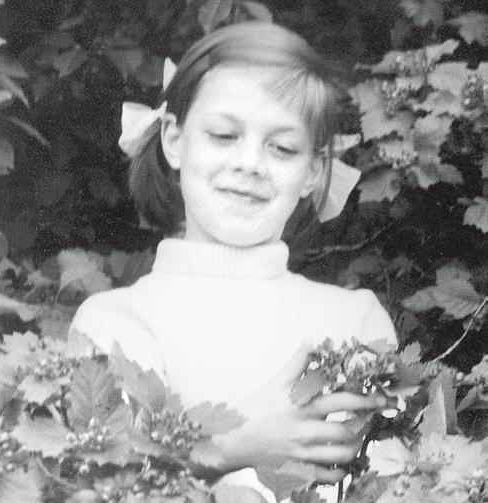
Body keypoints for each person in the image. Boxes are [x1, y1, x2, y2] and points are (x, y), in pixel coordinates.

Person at [68, 21, 397, 500]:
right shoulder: (115, 321)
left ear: (313, 170)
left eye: (283, 148)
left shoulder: (356, 321)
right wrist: (233, 445)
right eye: (224, 135)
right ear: (174, 140)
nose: (250, 163)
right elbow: (103, 485)